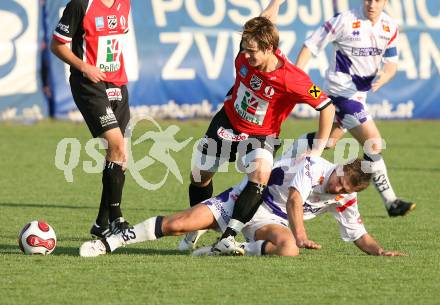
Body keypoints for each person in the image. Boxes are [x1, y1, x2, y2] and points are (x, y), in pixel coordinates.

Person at [182, 2, 335, 255]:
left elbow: (327, 106)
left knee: (261, 175)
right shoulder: (248, 52)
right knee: (199, 177)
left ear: (269, 49)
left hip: (261, 135)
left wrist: (318, 149)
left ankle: (229, 236)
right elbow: (265, 18)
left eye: (252, 51)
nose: (246, 55)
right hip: (227, 122)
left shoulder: (293, 79)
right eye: (244, 49)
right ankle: (193, 228)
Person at [79, 153, 405, 257]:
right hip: (245, 201)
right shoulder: (315, 166)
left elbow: (359, 233)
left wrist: (379, 251)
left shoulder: (344, 196)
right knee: (178, 224)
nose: (336, 187)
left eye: (344, 188)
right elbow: (294, 199)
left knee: (287, 250)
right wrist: (302, 233)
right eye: (339, 179)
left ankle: (225, 249)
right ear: (340, 168)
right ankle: (112, 241)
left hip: (269, 222)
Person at [268, 0, 415, 217]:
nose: (371, 4)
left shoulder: (389, 27)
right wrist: (296, 75)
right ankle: (391, 201)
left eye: (377, 0)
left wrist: (386, 75)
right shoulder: (344, 20)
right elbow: (311, 44)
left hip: (359, 96)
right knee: (373, 142)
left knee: (328, 141)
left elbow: (391, 63)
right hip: (340, 94)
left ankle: (279, 163)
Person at [51, 0, 133, 237]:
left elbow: (113, 41)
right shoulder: (80, 4)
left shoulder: (124, 4)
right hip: (89, 84)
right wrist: (84, 66)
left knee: (120, 159)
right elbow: (57, 45)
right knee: (116, 145)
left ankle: (101, 223)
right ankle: (118, 219)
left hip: (118, 84)